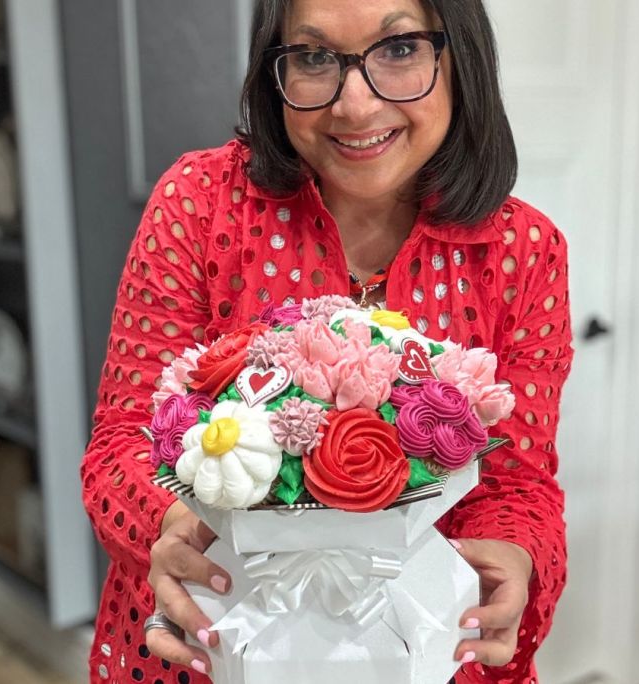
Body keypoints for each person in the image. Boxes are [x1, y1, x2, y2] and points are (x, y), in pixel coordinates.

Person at [80, 0, 573, 681]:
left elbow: (519, 482)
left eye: (399, 50)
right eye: (314, 58)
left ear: (459, 56)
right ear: (273, 68)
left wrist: (516, 553)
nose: (355, 105)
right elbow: (123, 440)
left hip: (420, 650)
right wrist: (168, 528)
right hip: (213, 641)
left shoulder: (523, 251)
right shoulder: (200, 204)